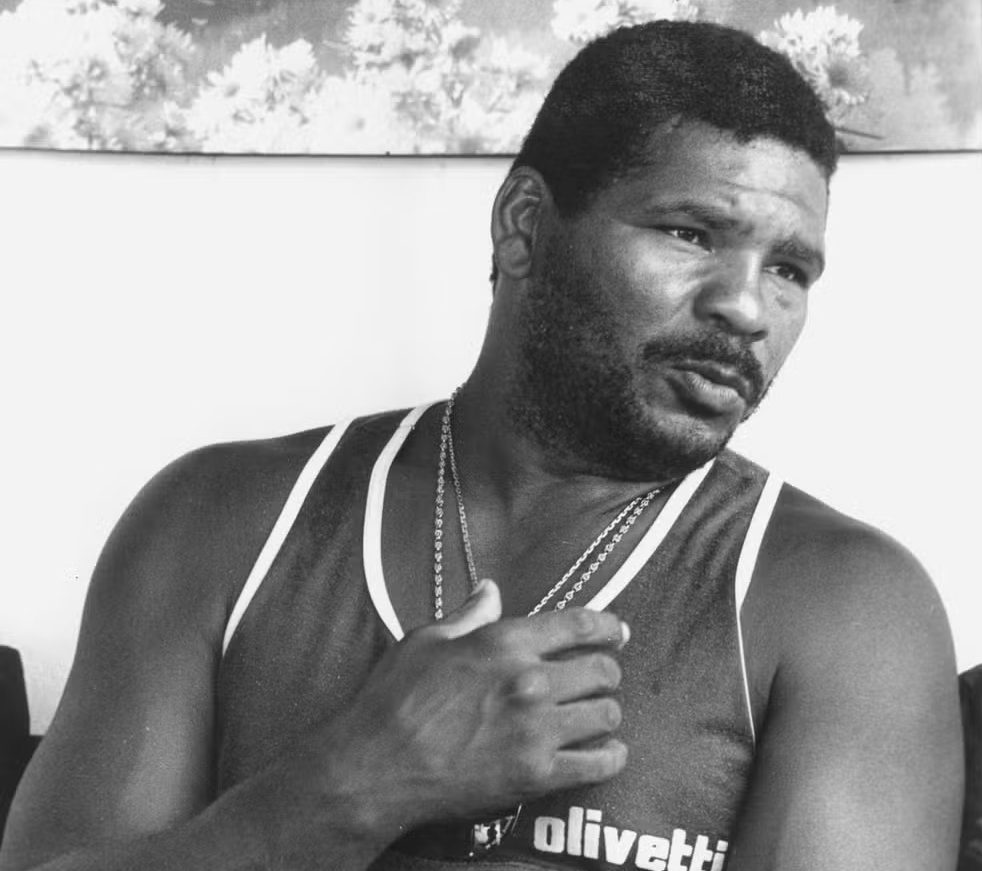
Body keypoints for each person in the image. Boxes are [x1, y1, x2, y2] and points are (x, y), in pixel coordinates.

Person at [0, 19, 964, 871]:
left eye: (790, 268)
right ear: (524, 226)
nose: (747, 307)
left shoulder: (847, 608)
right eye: (691, 233)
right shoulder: (217, 521)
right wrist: (353, 787)